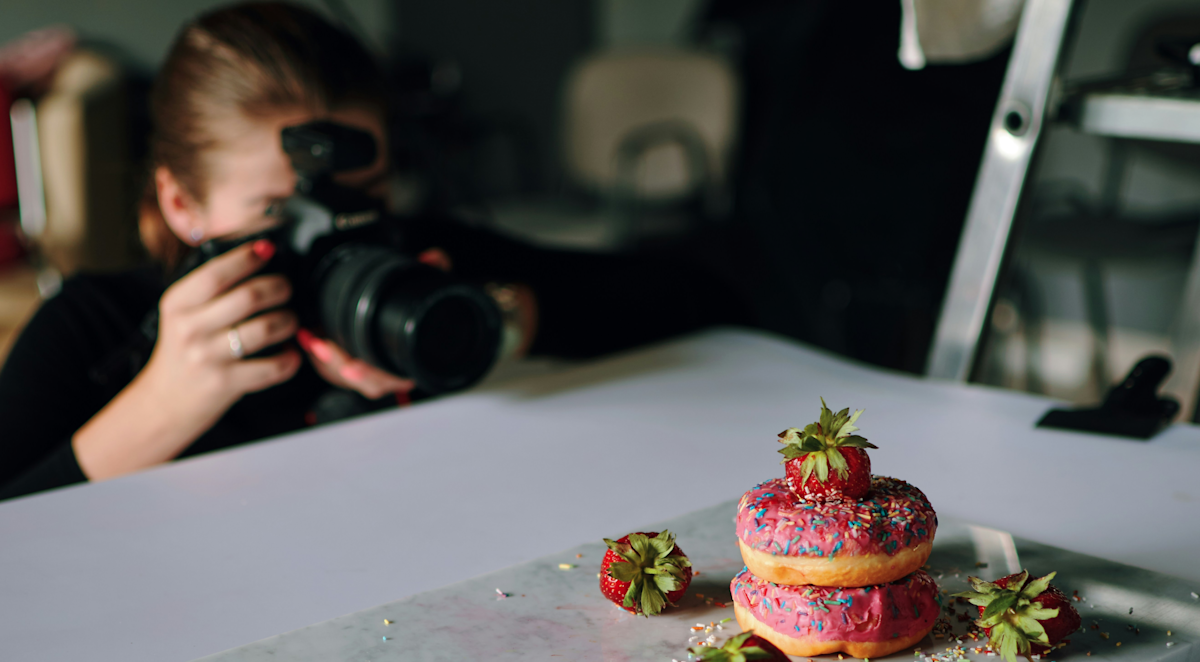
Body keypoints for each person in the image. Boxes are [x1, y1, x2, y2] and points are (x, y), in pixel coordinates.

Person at [0, 2, 743, 501]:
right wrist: (161, 404)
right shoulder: (95, 325)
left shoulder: (422, 261)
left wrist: (497, 323)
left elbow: (697, 295)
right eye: (280, 212)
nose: (334, 231)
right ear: (180, 203)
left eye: (366, 194)